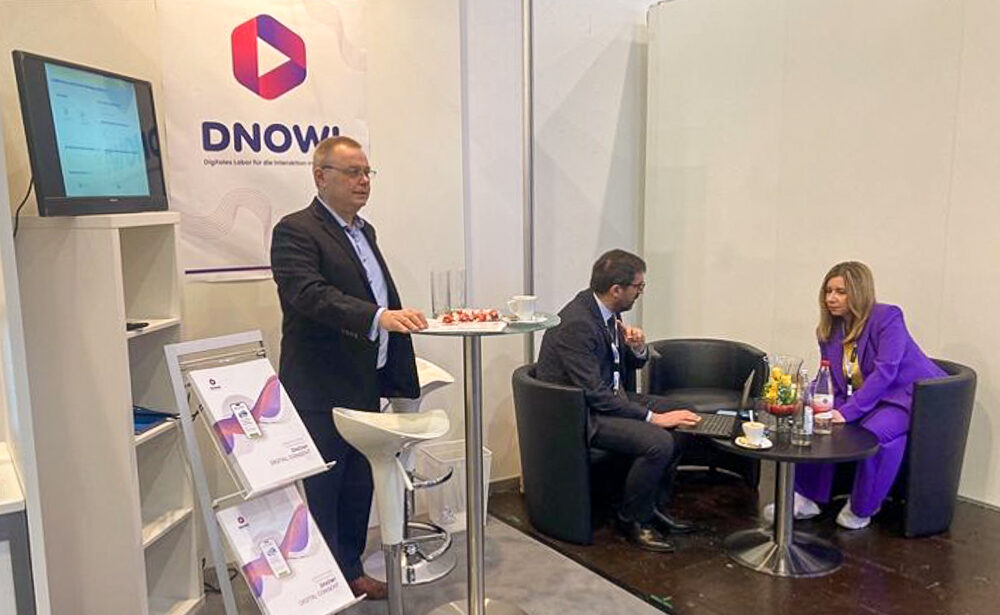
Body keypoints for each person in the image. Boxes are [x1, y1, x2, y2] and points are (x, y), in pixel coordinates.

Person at [270, 136, 428, 599]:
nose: (363, 181)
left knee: (358, 485)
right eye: (352, 172)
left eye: (366, 172)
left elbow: (375, 291)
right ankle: (323, 587)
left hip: (364, 380)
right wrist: (378, 317)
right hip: (320, 385)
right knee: (326, 489)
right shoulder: (295, 230)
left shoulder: (364, 230)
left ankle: (351, 571)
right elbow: (309, 294)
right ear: (321, 176)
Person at [536, 249, 701, 552]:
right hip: (582, 414)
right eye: (638, 286)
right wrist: (653, 418)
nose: (640, 292)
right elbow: (595, 394)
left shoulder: (607, 313)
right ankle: (633, 519)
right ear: (616, 289)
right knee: (659, 441)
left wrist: (637, 348)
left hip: (610, 399)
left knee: (687, 415)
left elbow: (620, 366)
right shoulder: (577, 324)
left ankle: (651, 505)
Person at [776, 261, 945, 529]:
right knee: (817, 419)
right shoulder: (829, 330)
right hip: (866, 395)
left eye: (840, 292)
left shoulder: (888, 318)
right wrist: (812, 400)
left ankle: (862, 507)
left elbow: (885, 372)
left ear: (859, 292)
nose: (831, 298)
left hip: (907, 395)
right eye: (828, 291)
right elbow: (830, 377)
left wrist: (847, 412)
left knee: (873, 433)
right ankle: (807, 497)